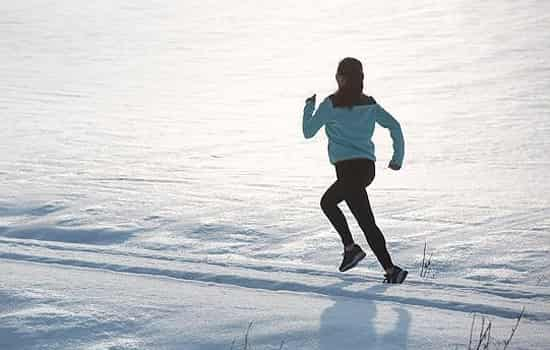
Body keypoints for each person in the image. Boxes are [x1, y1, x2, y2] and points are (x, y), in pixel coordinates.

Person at [302, 57, 407, 283]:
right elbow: (395, 126)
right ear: (360, 79)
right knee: (352, 213)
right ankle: (385, 267)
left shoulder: (330, 104)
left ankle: (358, 252)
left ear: (340, 78)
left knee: (336, 207)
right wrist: (397, 158)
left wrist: (308, 107)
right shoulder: (369, 104)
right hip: (366, 169)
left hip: (348, 171)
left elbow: (308, 131)